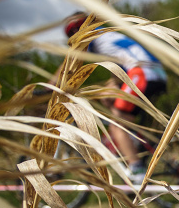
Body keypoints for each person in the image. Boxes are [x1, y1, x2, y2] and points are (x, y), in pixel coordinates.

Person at [63, 12, 168, 181]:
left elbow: (68, 68)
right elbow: (118, 70)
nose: (75, 37)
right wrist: (108, 88)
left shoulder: (96, 39)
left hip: (142, 73)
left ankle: (137, 170)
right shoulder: (107, 35)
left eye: (74, 31)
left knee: (116, 124)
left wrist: (53, 86)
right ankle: (131, 141)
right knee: (108, 98)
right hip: (152, 73)